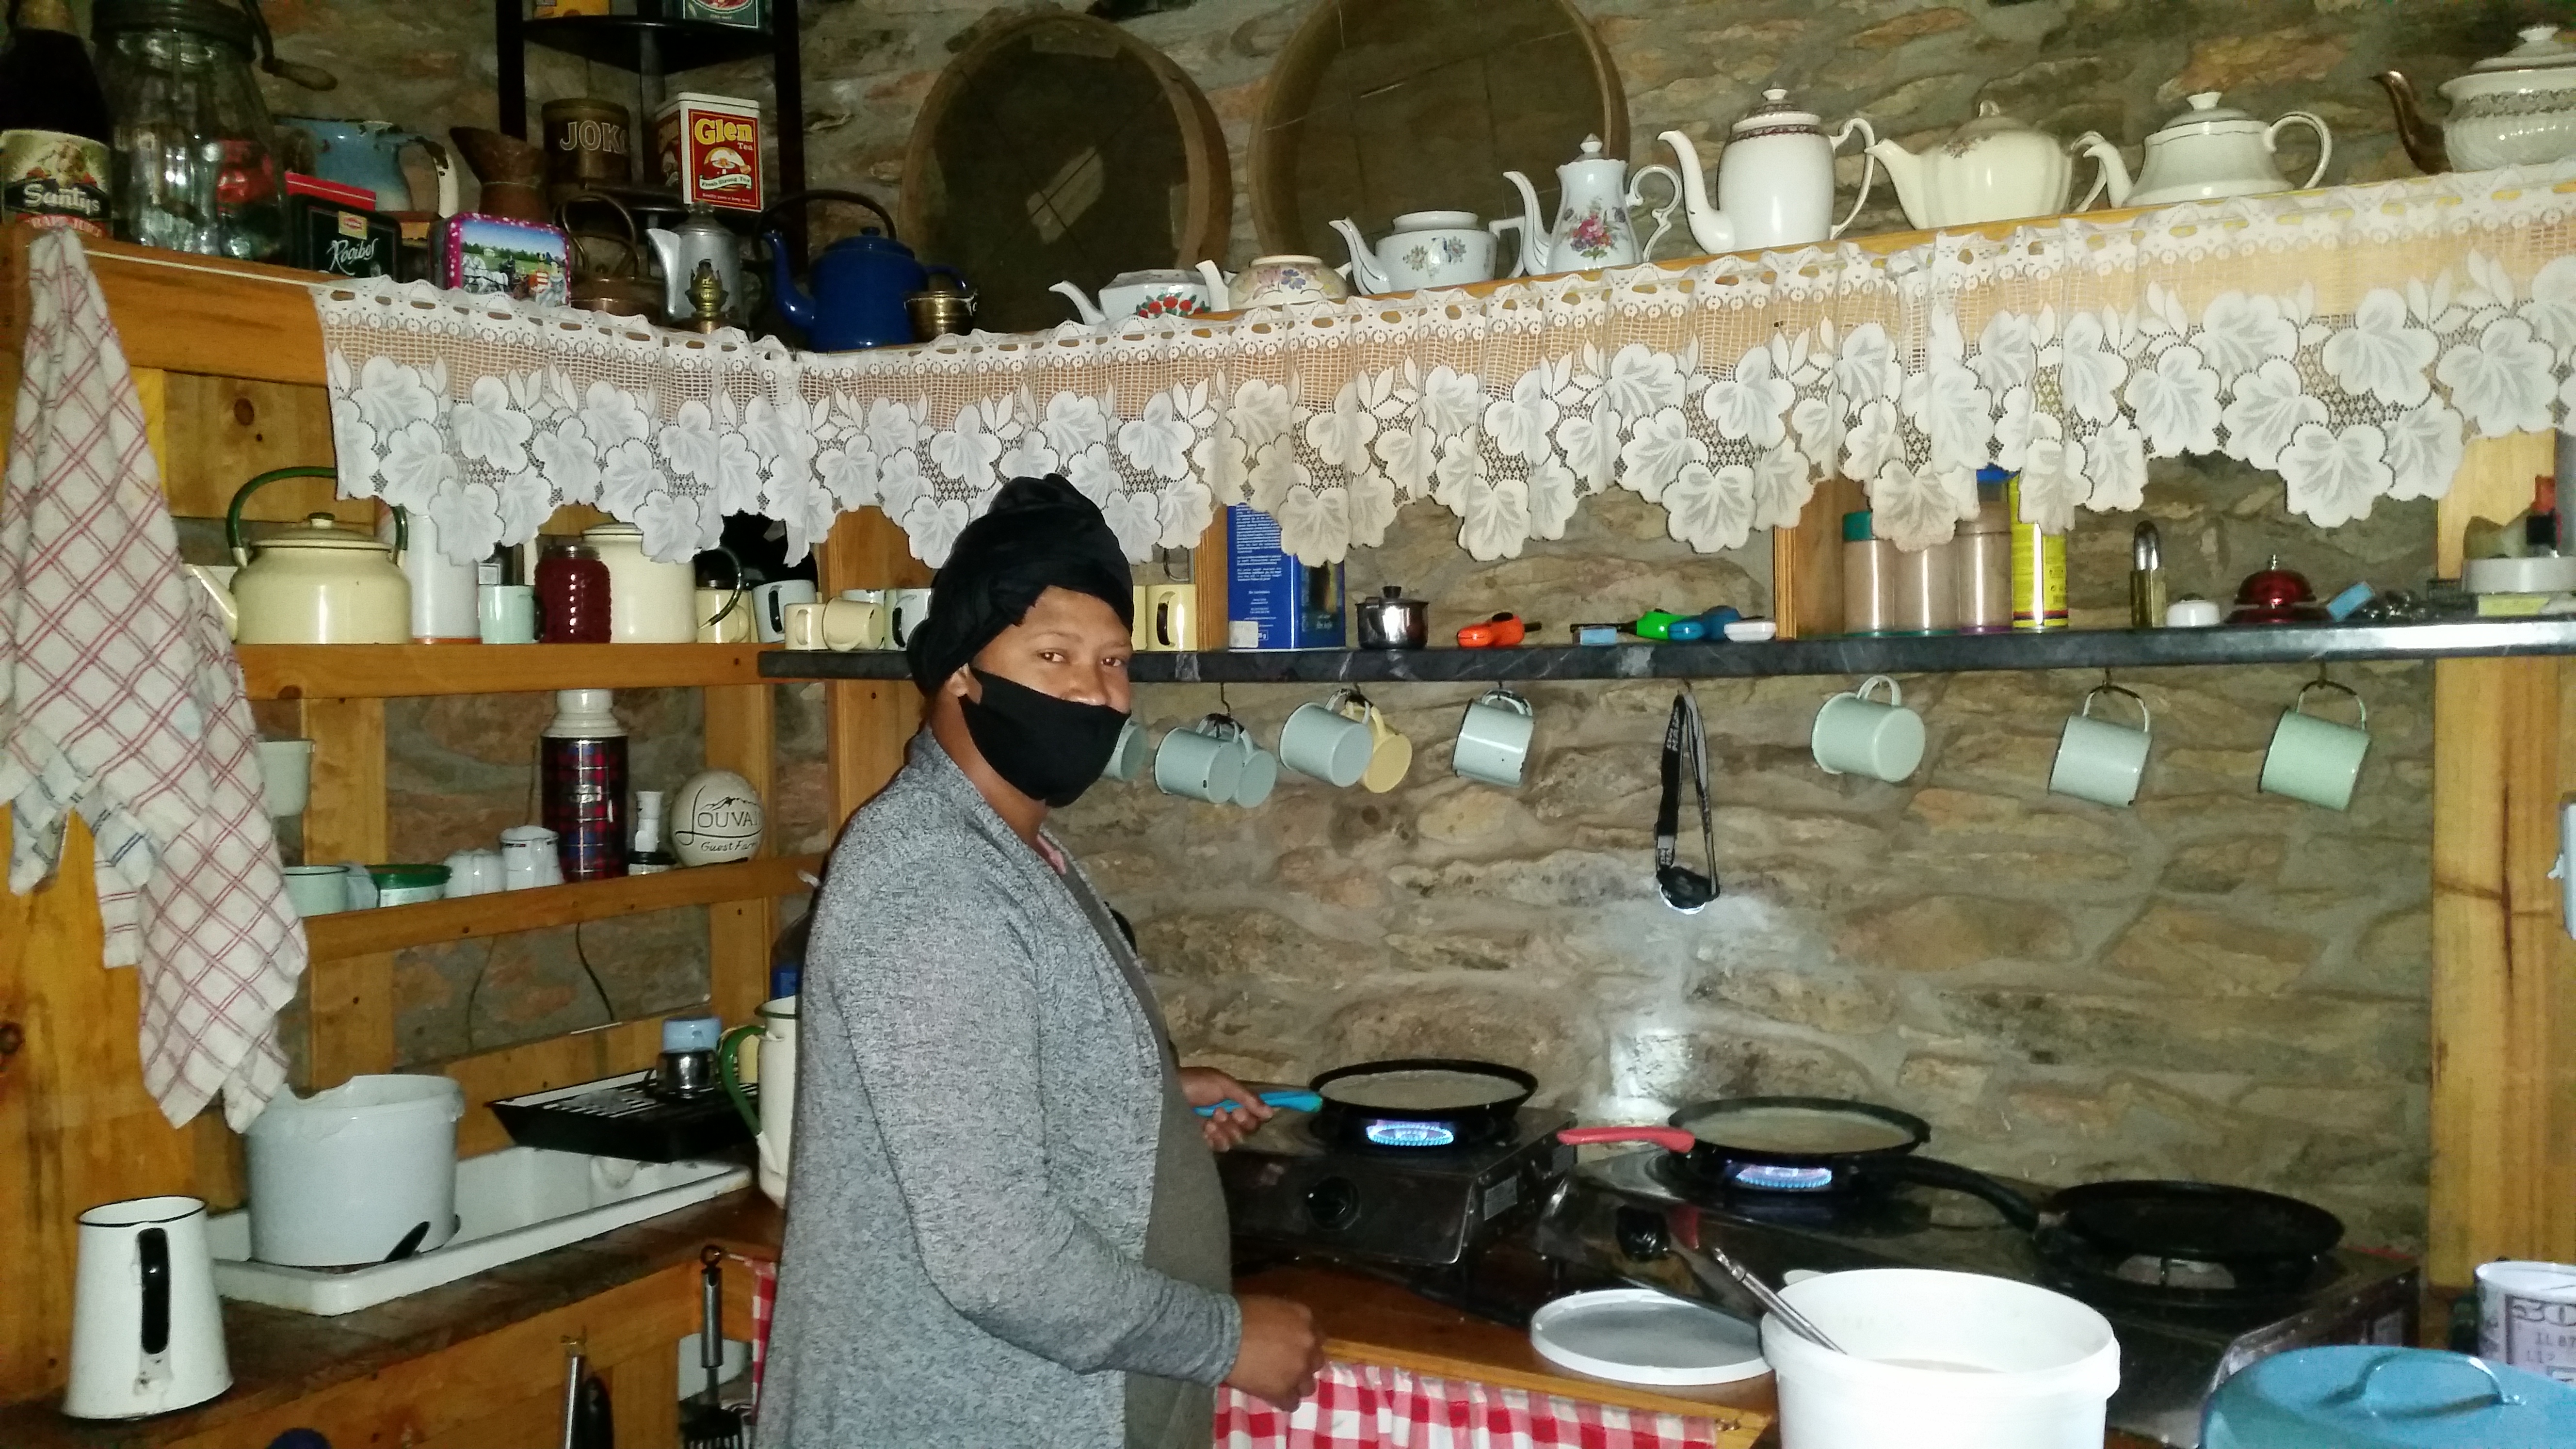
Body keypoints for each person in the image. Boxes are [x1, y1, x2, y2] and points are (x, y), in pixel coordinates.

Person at [758, 476, 1328, 1449]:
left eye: (1114, 661)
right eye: (1053, 655)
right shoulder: (933, 883)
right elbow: (1000, 1261)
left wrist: (1142, 1100)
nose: (1094, 692)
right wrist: (1227, 1342)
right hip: (960, 1417)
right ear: (960, 672)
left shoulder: (1014, 847)